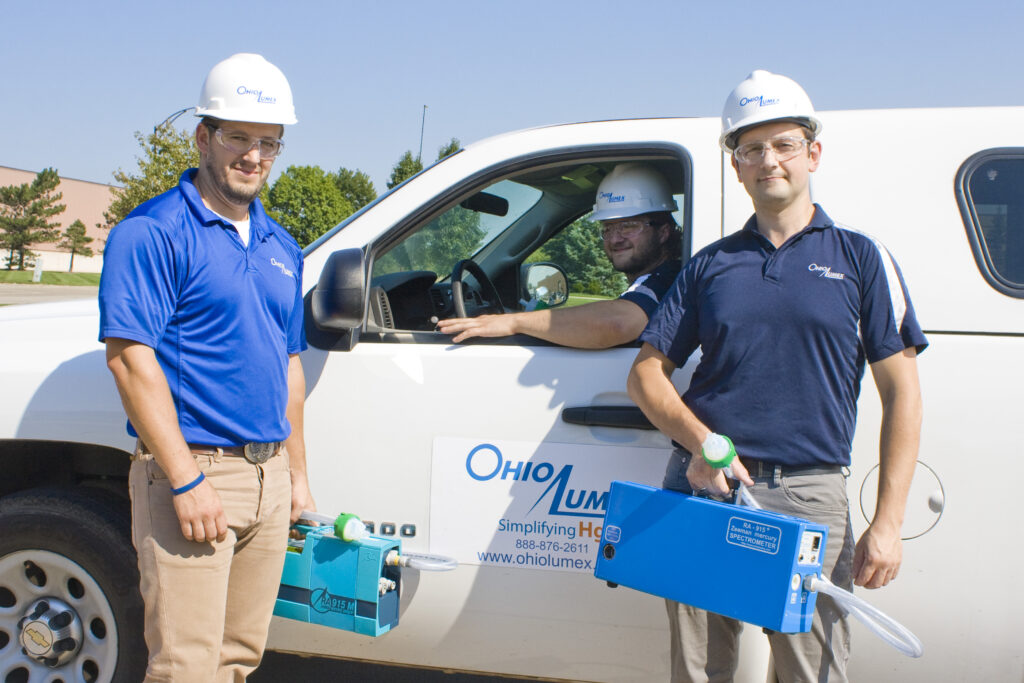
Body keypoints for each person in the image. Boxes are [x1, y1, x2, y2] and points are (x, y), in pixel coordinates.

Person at [627, 70, 927, 682]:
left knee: (809, 674)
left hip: (810, 497)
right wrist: (702, 443)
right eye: (751, 148)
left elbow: (902, 395)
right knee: (697, 673)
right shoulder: (710, 265)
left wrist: (888, 523)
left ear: (812, 152)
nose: (769, 160)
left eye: (784, 144)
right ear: (735, 166)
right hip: (706, 486)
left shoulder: (861, 258)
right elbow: (646, 377)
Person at [99, 53, 315, 682]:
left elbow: (290, 367)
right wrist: (185, 479)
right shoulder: (153, 232)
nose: (253, 156)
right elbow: (129, 359)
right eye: (238, 138)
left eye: (268, 143)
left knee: (237, 661)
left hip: (268, 478)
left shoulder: (282, 247)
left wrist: (295, 478)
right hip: (195, 476)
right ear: (203, 137)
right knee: (186, 669)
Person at [437, 163, 682, 348]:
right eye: (608, 228)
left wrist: (513, 322)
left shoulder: (669, 280)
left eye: (628, 226)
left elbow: (617, 322)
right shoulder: (651, 282)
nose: (615, 238)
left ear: (663, 232)